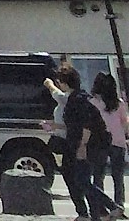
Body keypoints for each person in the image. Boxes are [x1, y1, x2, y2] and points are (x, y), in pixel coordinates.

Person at [63, 68, 120, 221]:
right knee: (85, 181)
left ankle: (111, 207)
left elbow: (86, 124)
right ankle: (100, 214)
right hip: (92, 144)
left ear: (64, 83)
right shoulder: (80, 98)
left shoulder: (78, 99)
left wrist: (82, 146)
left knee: (82, 180)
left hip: (88, 145)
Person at [96, 72, 127, 209]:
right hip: (118, 142)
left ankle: (101, 206)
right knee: (118, 177)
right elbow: (125, 124)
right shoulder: (119, 103)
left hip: (100, 142)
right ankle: (119, 205)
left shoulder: (94, 102)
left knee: (98, 175)